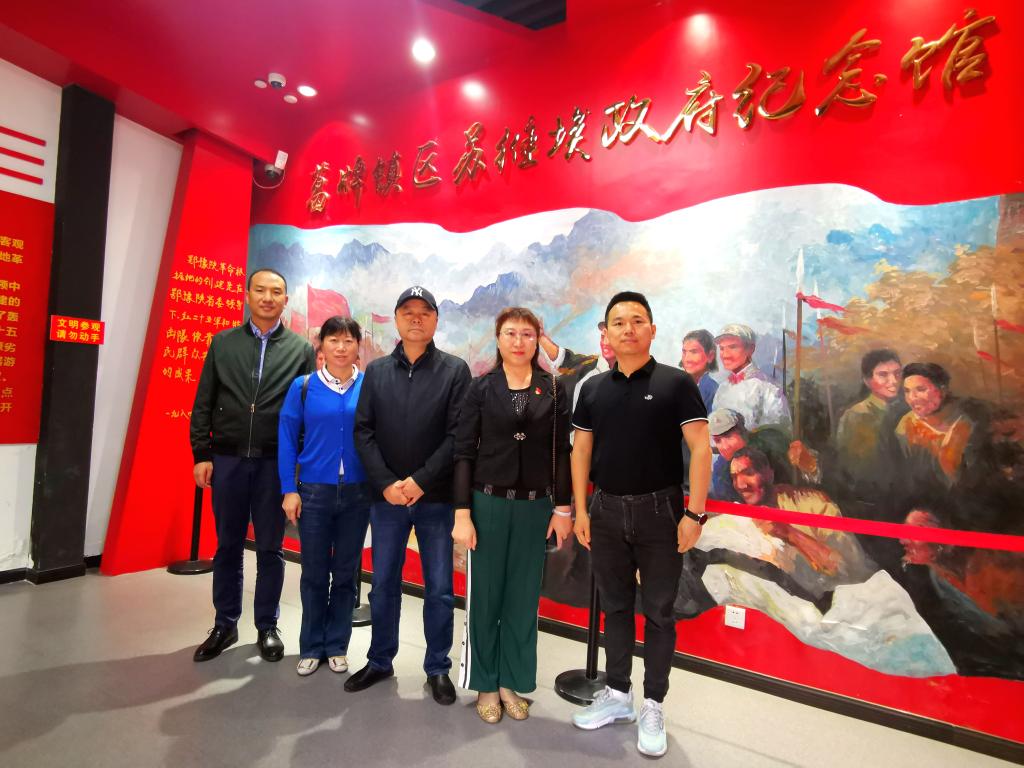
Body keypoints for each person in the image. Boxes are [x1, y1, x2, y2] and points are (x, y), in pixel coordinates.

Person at [570, 291, 711, 759]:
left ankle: (653, 704)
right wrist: (581, 510)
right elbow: (581, 451)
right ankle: (618, 694)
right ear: (606, 333)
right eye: (618, 322)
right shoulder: (593, 389)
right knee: (614, 607)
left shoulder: (676, 383)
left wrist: (695, 513)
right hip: (606, 510)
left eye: (636, 320)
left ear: (652, 329)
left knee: (659, 612)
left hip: (660, 513)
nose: (627, 329)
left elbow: (701, 448)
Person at [349, 286, 471, 705]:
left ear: (436, 319)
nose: (416, 318)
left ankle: (437, 667)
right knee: (383, 583)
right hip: (387, 501)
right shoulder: (377, 371)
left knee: (439, 588)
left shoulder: (455, 371)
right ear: (397, 319)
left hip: (435, 499)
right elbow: (363, 431)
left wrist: (420, 481)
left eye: (425, 312)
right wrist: (386, 483)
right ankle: (380, 660)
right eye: (408, 312)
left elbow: (458, 436)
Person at [451, 307, 573, 723]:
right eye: (510, 333)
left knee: (522, 599)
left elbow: (562, 453)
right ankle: (485, 683)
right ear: (498, 338)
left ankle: (510, 681)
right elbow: (463, 452)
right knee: (485, 597)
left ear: (538, 339)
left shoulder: (553, 388)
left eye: (527, 334)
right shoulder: (481, 388)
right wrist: (462, 513)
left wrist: (562, 508)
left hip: (535, 507)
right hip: (487, 503)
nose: (519, 341)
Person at [190, 268, 316, 662]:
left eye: (276, 292)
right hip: (227, 459)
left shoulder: (300, 350)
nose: (267, 297)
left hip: (273, 464)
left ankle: (267, 625)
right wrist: (201, 453)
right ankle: (224, 623)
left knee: (270, 548)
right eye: (260, 290)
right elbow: (204, 401)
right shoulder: (223, 343)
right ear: (247, 295)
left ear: (285, 300)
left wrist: (296, 469)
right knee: (227, 544)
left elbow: (304, 413)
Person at [278, 316, 369, 676]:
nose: (341, 348)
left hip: (357, 493)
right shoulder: (303, 387)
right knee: (314, 573)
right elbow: (287, 439)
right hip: (314, 492)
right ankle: (312, 645)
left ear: (358, 347)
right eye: (334, 340)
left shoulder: (368, 386)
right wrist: (289, 489)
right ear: (322, 345)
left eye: (348, 341)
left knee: (345, 574)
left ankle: (337, 645)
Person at [729, 448, 873, 588]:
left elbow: (850, 568)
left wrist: (789, 532)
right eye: (734, 477)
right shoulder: (740, 519)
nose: (741, 485)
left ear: (769, 474)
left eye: (749, 473)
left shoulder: (813, 503)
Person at [707, 409, 819, 501]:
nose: (725, 446)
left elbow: (810, 473)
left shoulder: (769, 439)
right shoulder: (721, 470)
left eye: (729, 437)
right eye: (718, 441)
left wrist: (810, 465)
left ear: (742, 431)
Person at [835, 349, 905, 496]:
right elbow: (855, 468)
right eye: (883, 375)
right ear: (867, 381)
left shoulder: (907, 410)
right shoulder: (856, 416)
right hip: (870, 495)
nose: (893, 381)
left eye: (897, 373)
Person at [711, 323, 791, 430]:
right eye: (722, 348)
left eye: (732, 347)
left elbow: (779, 431)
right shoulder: (722, 388)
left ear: (750, 349)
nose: (725, 355)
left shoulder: (768, 387)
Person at [539, 320, 615, 414]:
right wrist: (541, 337)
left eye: (611, 337)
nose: (605, 343)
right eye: (603, 336)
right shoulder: (588, 363)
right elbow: (564, 358)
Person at [679, 329, 718, 413]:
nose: (687, 359)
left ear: (710, 356)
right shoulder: (678, 385)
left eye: (694, 352)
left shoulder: (713, 390)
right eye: (684, 352)